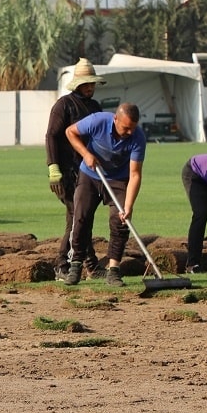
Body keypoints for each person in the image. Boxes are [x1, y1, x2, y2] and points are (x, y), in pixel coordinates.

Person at [64, 102, 147, 286]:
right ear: (115, 119)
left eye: (133, 128)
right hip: (90, 175)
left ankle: (114, 271)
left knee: (120, 221)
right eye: (126, 128)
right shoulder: (97, 121)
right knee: (81, 218)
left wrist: (128, 206)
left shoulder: (138, 138)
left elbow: (135, 174)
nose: (130, 132)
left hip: (119, 179)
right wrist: (86, 154)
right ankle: (75, 266)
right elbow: (70, 132)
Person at [45, 58, 106, 284]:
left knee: (82, 217)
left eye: (92, 83)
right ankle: (64, 265)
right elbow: (51, 136)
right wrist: (53, 168)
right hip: (66, 172)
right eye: (86, 84)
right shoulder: (64, 105)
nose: (90, 87)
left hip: (88, 172)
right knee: (77, 217)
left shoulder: (95, 107)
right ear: (77, 84)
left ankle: (88, 265)